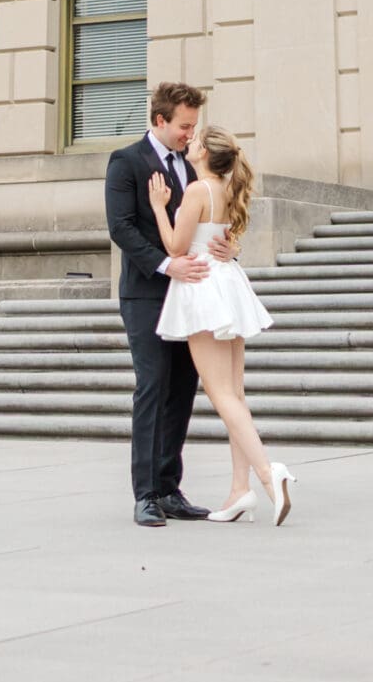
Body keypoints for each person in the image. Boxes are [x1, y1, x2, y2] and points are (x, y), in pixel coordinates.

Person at [104, 80, 236, 529]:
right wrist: (166, 266)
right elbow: (121, 229)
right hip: (148, 293)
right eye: (183, 125)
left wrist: (227, 248)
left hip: (192, 295)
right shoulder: (126, 162)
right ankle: (145, 495)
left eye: (193, 125)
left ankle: (169, 488)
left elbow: (209, 222)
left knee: (182, 388)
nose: (189, 134)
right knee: (153, 384)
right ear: (159, 120)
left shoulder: (193, 168)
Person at [151, 125, 295, 526]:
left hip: (202, 287)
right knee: (236, 394)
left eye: (196, 142)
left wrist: (160, 207)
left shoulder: (198, 191)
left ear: (205, 155)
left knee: (221, 395)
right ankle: (238, 490)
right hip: (226, 282)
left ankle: (269, 474)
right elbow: (225, 241)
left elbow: (176, 248)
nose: (190, 143)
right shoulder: (228, 191)